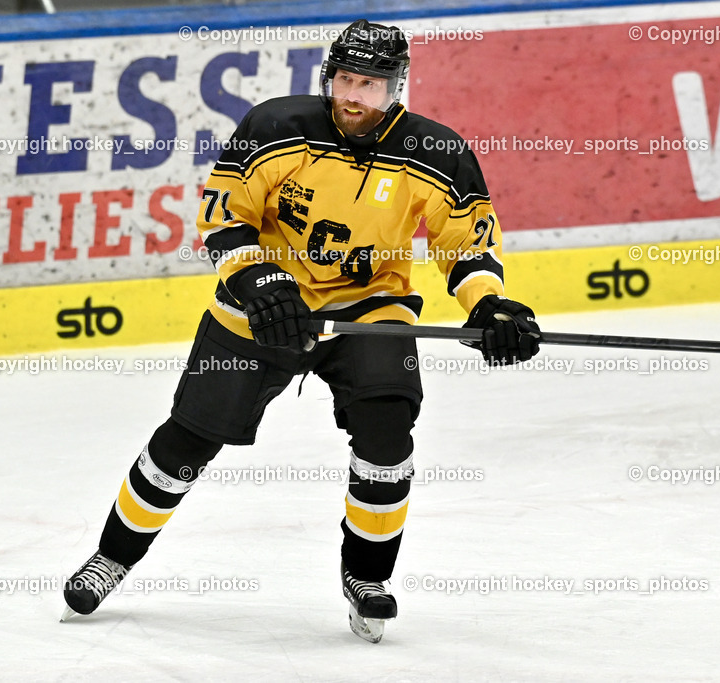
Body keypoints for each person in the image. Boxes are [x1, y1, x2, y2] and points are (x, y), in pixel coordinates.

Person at [62, 18, 540, 643]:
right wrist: (261, 281)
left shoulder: (436, 152)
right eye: (345, 80)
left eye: (370, 85)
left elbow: (467, 245)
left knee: (388, 437)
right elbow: (223, 216)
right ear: (328, 77)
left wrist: (489, 305)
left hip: (369, 311)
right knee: (187, 440)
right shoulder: (275, 127)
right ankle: (111, 558)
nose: (354, 96)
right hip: (264, 307)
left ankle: (367, 577)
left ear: (396, 87)